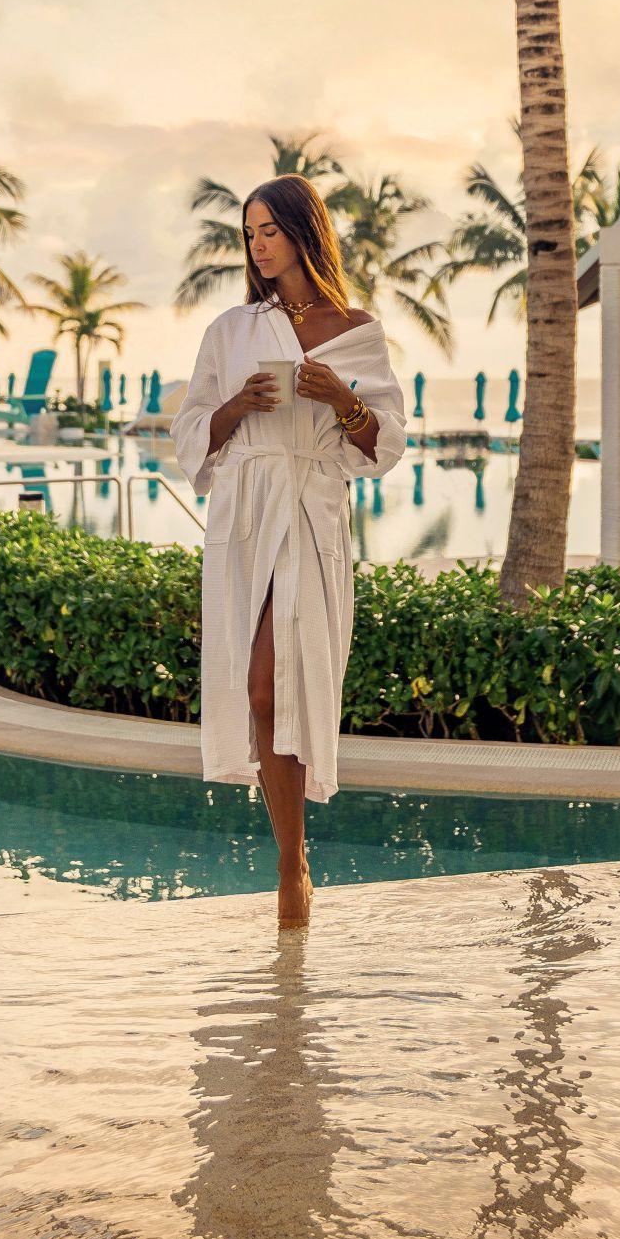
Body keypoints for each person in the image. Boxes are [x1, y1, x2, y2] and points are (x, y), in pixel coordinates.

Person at [171, 175, 407, 926]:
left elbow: (386, 442)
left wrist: (344, 398)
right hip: (244, 511)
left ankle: (292, 865)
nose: (257, 245)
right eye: (249, 233)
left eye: (268, 229)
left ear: (305, 231)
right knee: (260, 690)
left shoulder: (358, 330)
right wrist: (237, 406)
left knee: (280, 687)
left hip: (310, 513)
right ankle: (292, 863)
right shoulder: (232, 330)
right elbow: (187, 433)